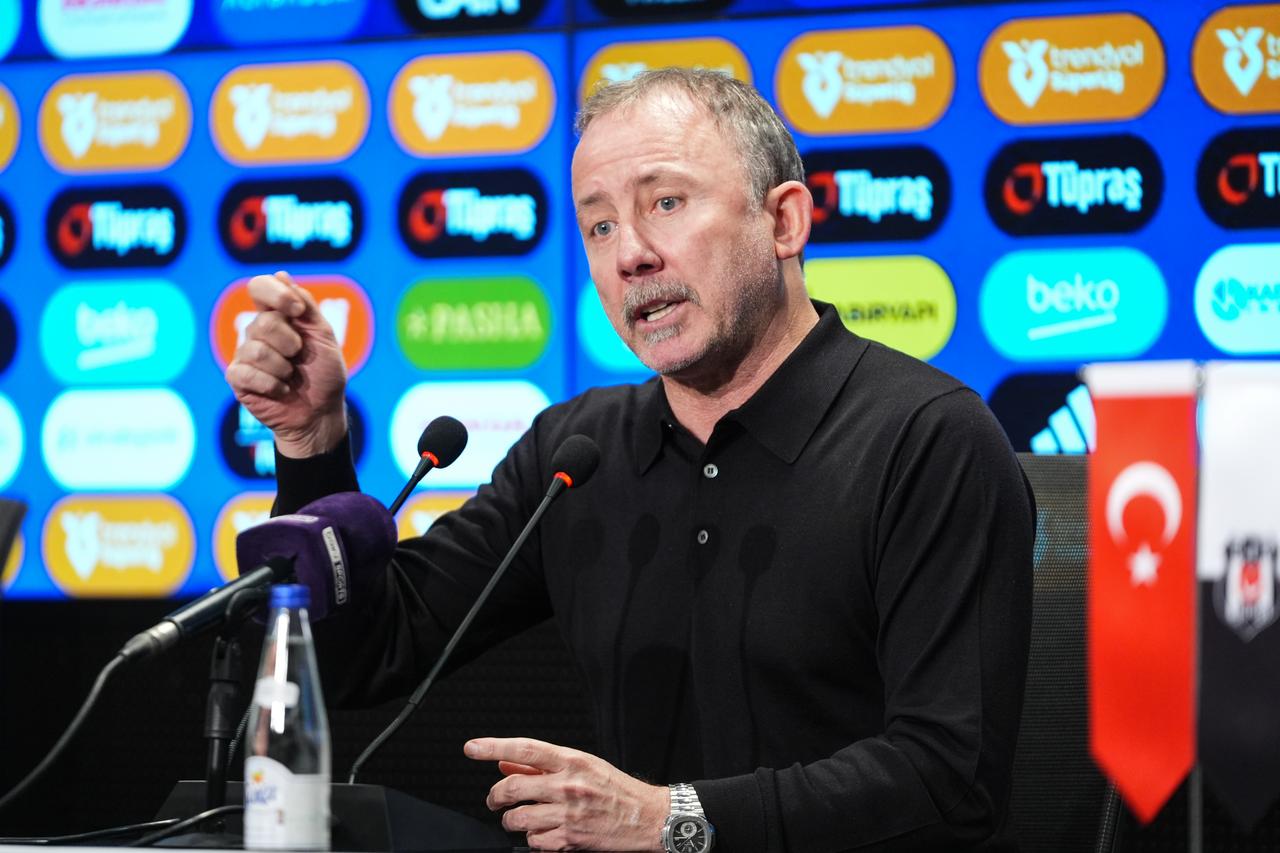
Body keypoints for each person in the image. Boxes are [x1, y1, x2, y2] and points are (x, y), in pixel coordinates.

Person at [226, 68, 1034, 852]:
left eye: (667, 203)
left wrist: (669, 820)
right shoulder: (575, 454)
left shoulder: (927, 439)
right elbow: (368, 655)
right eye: (601, 226)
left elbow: (950, 778)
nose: (630, 256)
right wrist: (312, 442)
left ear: (784, 222)